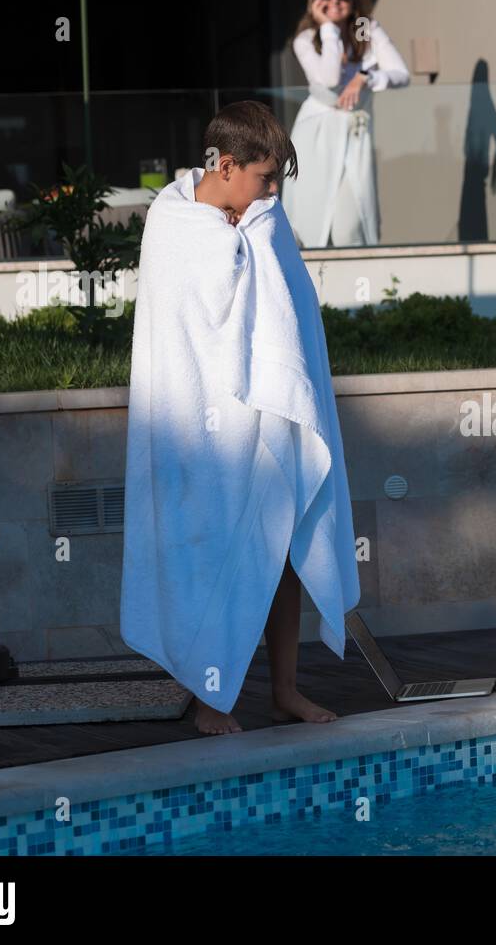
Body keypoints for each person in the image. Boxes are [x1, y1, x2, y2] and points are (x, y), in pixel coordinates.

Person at [120, 101, 361, 735]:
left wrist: (248, 232)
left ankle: (285, 690)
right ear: (224, 165)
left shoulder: (264, 221)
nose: (274, 192)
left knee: (282, 549)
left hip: (273, 414)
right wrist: (234, 242)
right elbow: (183, 329)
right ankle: (211, 702)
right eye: (264, 177)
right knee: (212, 549)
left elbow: (292, 315)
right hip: (202, 426)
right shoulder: (173, 225)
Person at [282, 0, 410, 247]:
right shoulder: (305, 39)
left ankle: (360, 283)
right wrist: (328, 28)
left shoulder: (368, 29)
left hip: (353, 135)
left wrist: (366, 77)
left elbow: (401, 74)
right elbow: (329, 79)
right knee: (309, 221)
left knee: (349, 225)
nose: (335, 1)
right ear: (315, 1)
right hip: (316, 136)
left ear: (354, 0)